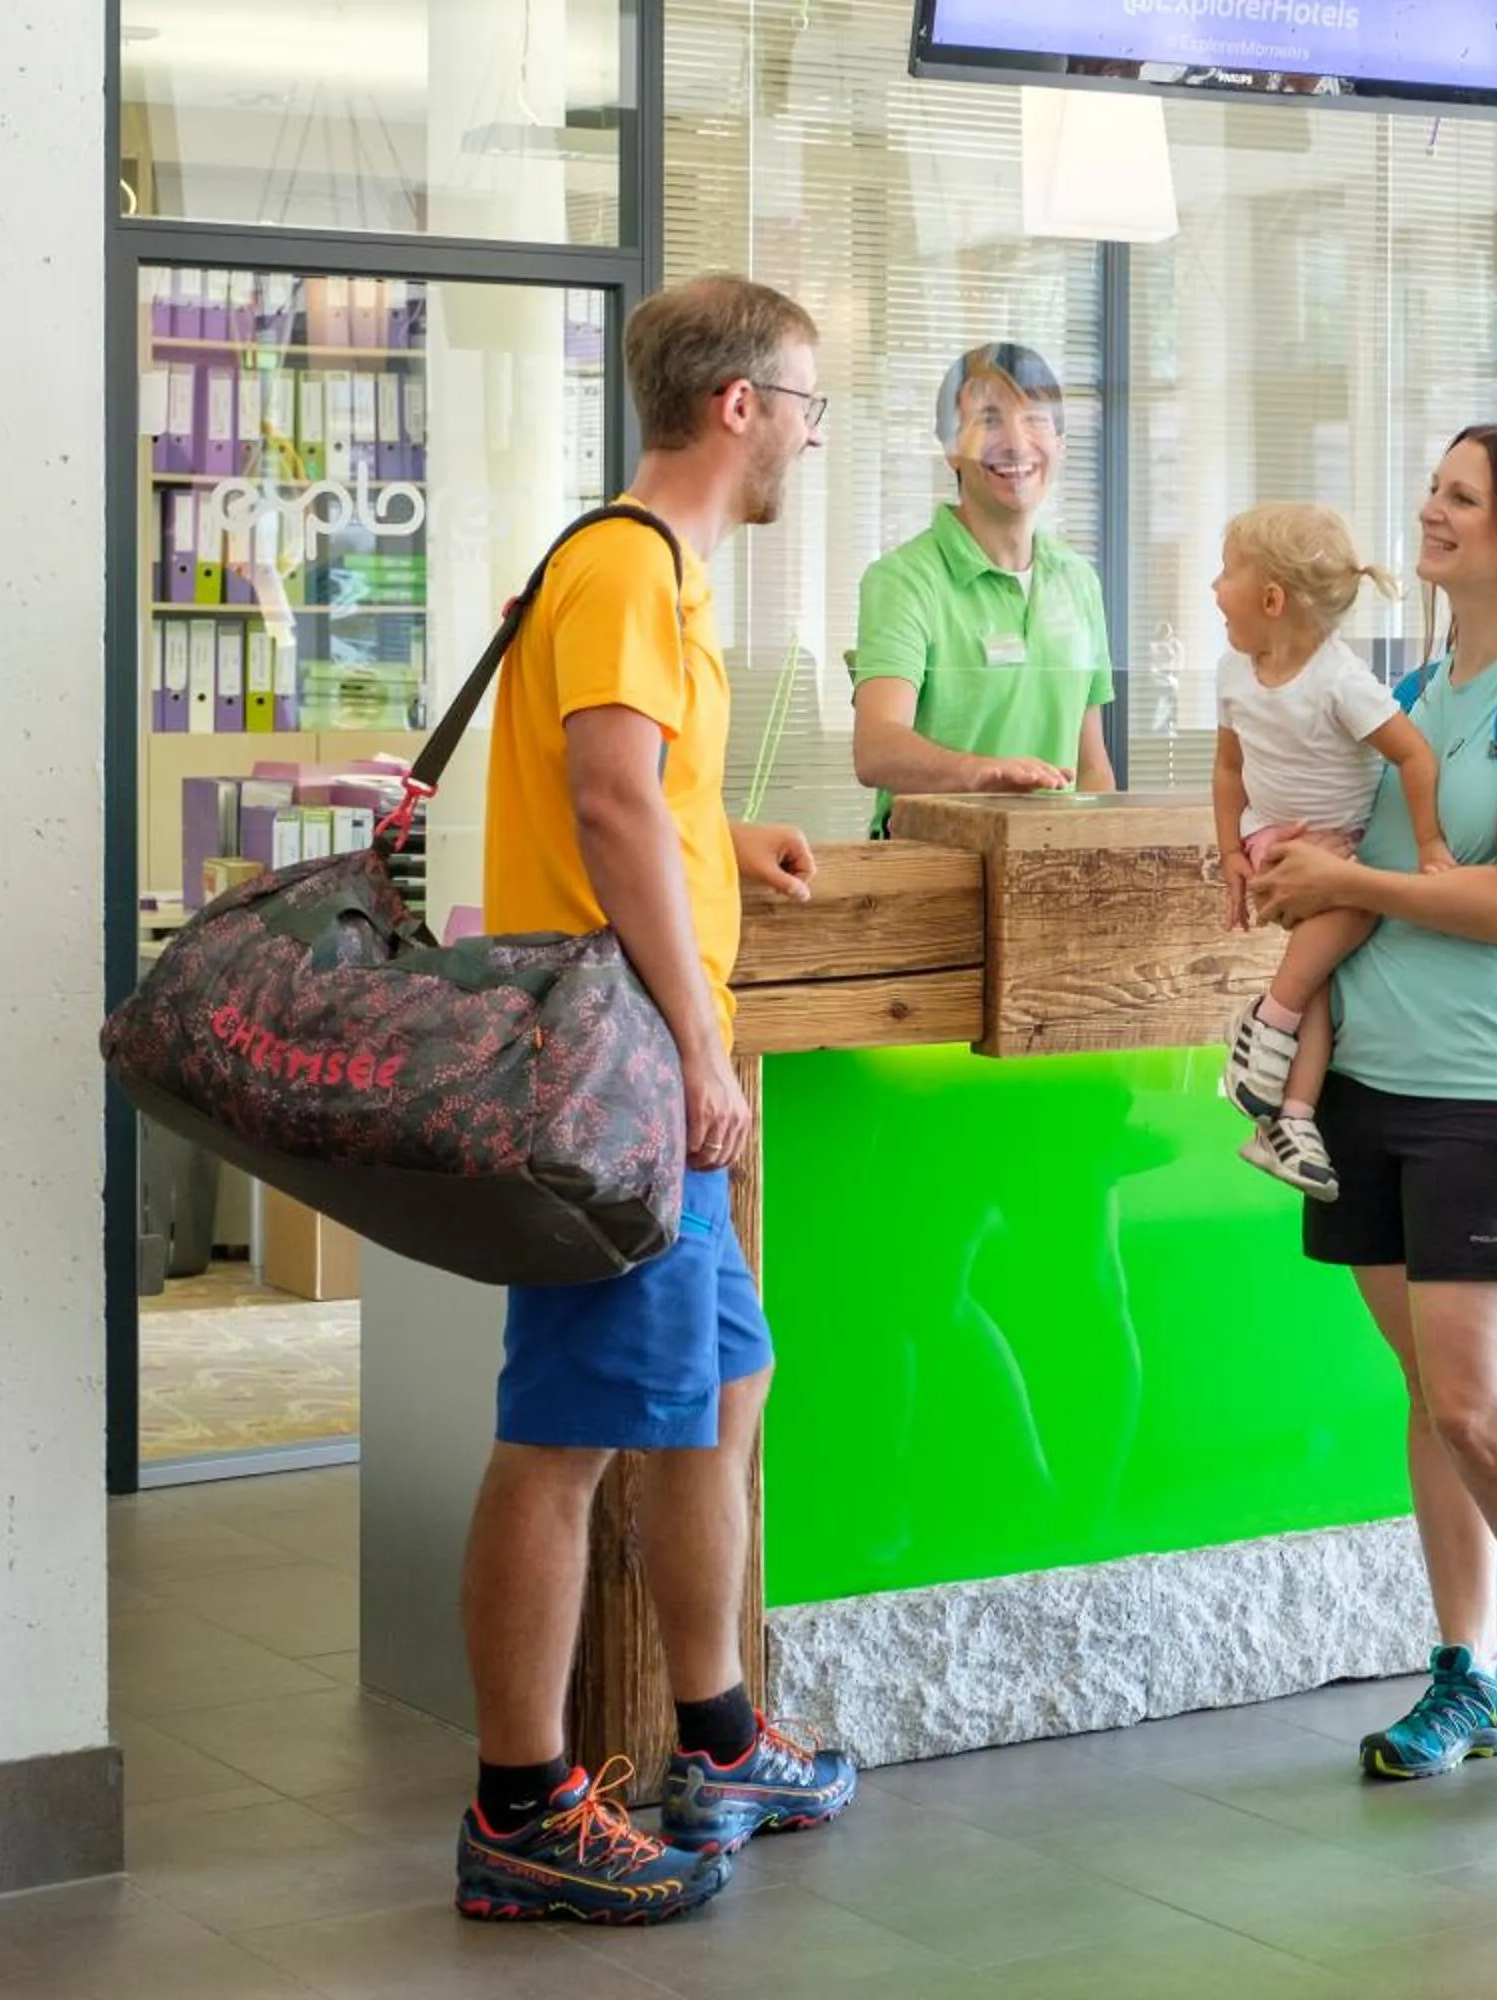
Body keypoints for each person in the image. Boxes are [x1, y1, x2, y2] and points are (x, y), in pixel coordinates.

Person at [455, 275, 858, 1926]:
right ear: (741, 407)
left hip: (643, 1048)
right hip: (615, 1068)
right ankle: (518, 1809)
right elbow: (611, 804)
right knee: (561, 1438)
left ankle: (718, 1736)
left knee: (721, 1388)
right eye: (809, 408)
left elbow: (648, 801)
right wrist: (703, 1045)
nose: (813, 443)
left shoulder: (661, 580)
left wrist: (729, 844)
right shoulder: (628, 564)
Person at [1250, 425, 1497, 1807]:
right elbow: (1361, 875)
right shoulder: (1416, 684)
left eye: (1460, 496)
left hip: (1495, 1096)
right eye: (1431, 486)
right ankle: (1468, 1670)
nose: (1429, 509)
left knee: (1480, 1405)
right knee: (1430, 1397)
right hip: (1367, 1084)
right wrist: (1288, 869)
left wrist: (1351, 880)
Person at [1211, 502, 1449, 1198]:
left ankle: (1292, 1116)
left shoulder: (1340, 680)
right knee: (1357, 910)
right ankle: (1265, 1025)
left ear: (1272, 599)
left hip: (1327, 849)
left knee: (1317, 974)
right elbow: (1228, 769)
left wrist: (1430, 842)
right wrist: (1230, 853)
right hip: (1277, 844)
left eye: (1226, 575)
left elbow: (1415, 756)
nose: (1213, 589)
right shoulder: (1233, 673)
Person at [850, 342, 1115, 836]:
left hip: (1050, 866)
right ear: (951, 446)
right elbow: (876, 749)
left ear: (1060, 441)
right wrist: (981, 773)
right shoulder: (904, 580)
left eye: (1036, 418)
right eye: (990, 420)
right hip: (933, 872)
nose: (1016, 443)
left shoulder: (1079, 580)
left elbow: (1092, 762)